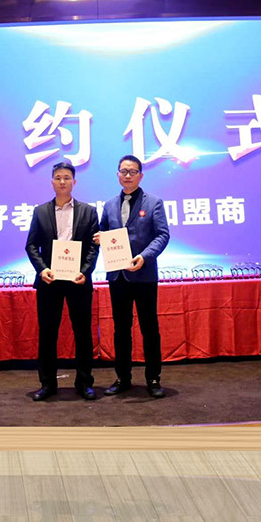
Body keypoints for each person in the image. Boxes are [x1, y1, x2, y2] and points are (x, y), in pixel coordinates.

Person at [96, 155, 170, 398]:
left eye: (133, 171)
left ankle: (153, 378)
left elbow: (162, 235)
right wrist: (100, 238)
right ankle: (123, 378)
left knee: (149, 328)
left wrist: (145, 257)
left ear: (141, 175)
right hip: (118, 276)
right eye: (124, 171)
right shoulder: (109, 205)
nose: (128, 175)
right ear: (117, 174)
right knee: (121, 330)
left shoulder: (154, 202)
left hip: (144, 275)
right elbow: (104, 232)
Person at [25, 162, 100, 401]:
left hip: (78, 280)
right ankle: (47, 384)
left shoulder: (88, 212)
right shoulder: (40, 212)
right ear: (52, 182)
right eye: (58, 177)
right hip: (50, 281)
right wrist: (42, 269)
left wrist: (85, 271)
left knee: (83, 333)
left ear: (74, 182)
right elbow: (31, 245)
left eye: (67, 177)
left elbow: (93, 247)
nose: (62, 181)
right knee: (48, 333)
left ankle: (84, 383)